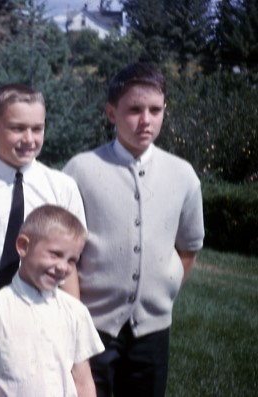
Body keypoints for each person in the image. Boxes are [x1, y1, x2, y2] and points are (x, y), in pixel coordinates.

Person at [63, 62, 205, 397]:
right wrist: (75, 310)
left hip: (153, 329)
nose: (146, 120)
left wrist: (163, 291)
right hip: (92, 325)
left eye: (155, 110)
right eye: (134, 110)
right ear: (111, 113)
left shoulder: (182, 175)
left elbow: (189, 248)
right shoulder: (81, 170)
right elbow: (64, 252)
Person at [0, 83, 86, 395]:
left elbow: (71, 266)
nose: (29, 139)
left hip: (48, 304)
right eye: (17, 128)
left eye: (37, 128)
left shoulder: (62, 188)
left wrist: (72, 327)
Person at [0, 204, 104, 397]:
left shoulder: (75, 311)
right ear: (23, 246)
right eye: (55, 254)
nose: (63, 267)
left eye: (72, 260)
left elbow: (84, 382)